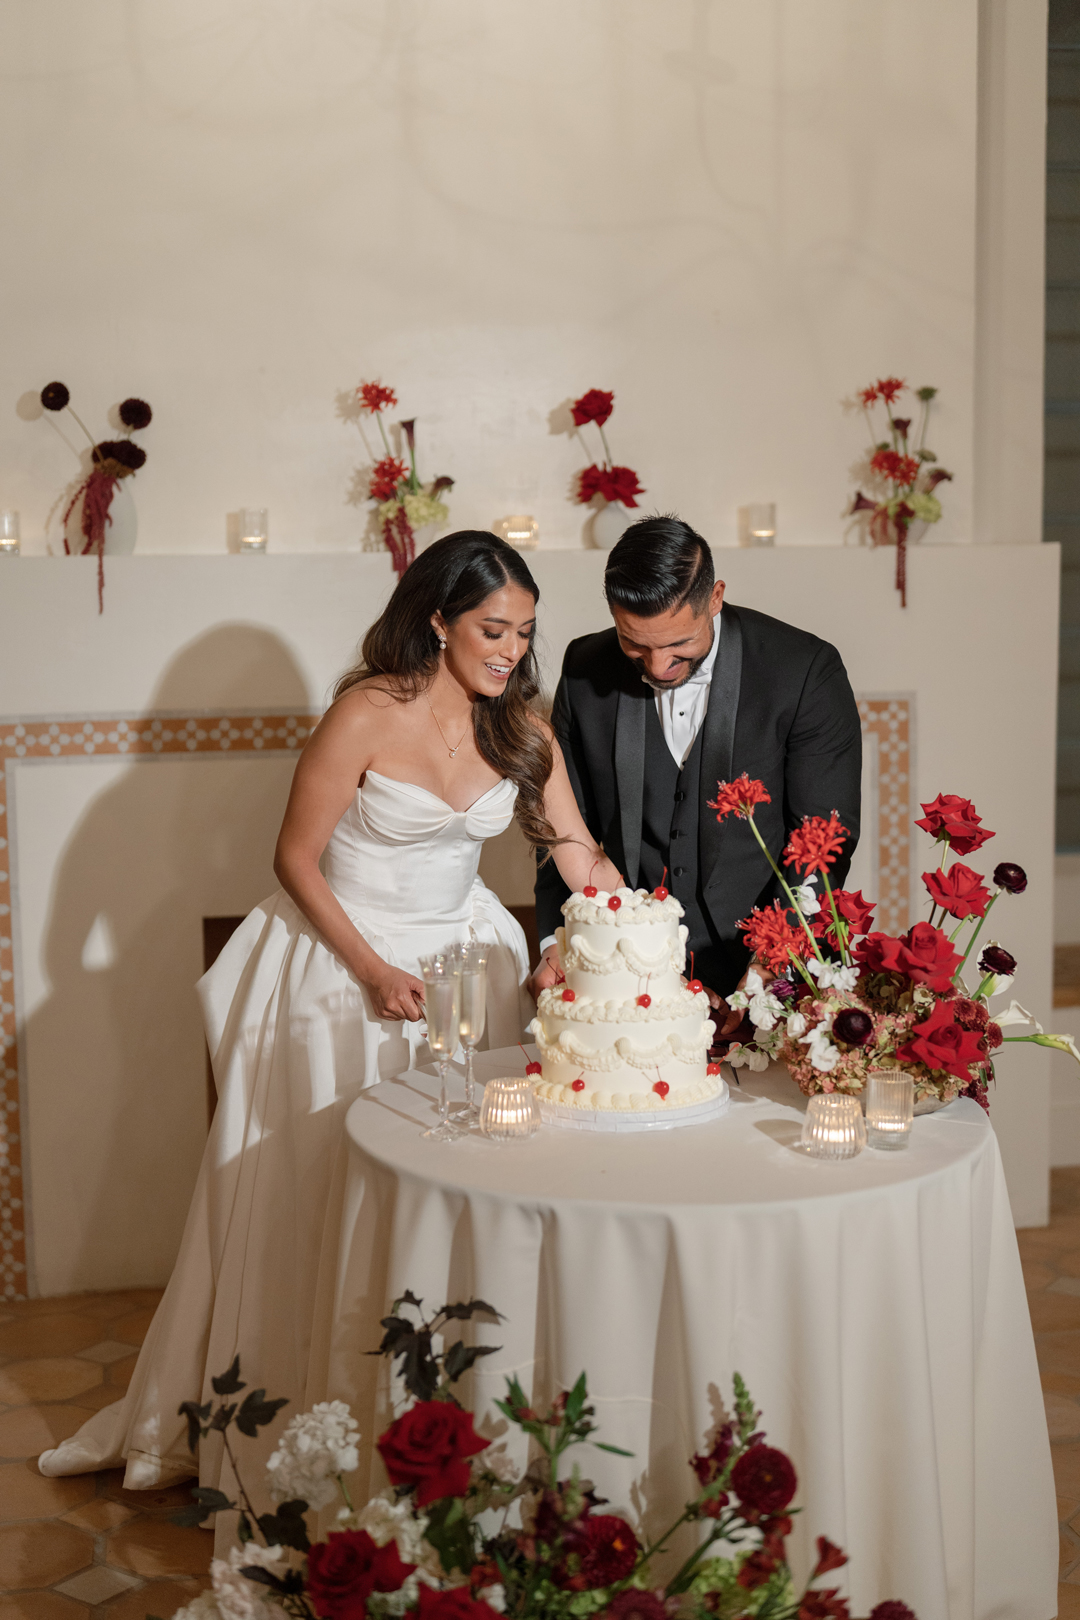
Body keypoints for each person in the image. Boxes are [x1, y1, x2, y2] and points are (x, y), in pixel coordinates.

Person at [38, 530, 622, 1530]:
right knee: (314, 1190)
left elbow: (581, 857)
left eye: (524, 633)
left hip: (468, 970)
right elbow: (296, 860)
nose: (510, 652)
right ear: (437, 620)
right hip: (339, 966)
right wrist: (370, 970)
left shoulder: (522, 723)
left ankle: (429, 1422)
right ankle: (298, 1418)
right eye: (492, 630)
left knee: (453, 1188)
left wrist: (609, 931)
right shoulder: (365, 712)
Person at [531, 515, 862, 1030]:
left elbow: (821, 838)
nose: (658, 666)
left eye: (678, 644)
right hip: (627, 981)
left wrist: (772, 969)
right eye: (635, 644)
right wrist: (557, 940)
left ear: (715, 598)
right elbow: (561, 826)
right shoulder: (583, 668)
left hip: (764, 974)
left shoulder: (804, 671)